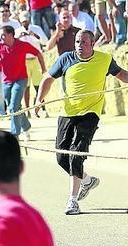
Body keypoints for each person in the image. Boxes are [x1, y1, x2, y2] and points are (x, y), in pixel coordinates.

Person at [36, 29, 128, 215]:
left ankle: (72, 201)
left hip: (90, 113)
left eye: (84, 42)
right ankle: (86, 181)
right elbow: (48, 79)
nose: (79, 45)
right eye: (77, 41)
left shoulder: (104, 59)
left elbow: (121, 75)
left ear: (93, 44)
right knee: (62, 157)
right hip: (68, 112)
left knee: (76, 154)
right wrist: (40, 100)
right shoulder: (66, 59)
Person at [0, 25, 46, 138]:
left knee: (13, 107)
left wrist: (44, 69)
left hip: (21, 80)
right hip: (6, 81)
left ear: (11, 35)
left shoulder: (22, 45)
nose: (1, 37)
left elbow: (38, 53)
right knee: (15, 107)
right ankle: (26, 126)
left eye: (3, 35)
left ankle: (15, 134)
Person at [16, 11, 49, 118]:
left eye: (26, 20)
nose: (25, 23)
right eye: (23, 21)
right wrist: (19, 37)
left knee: (39, 85)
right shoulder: (17, 32)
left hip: (36, 59)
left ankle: (43, 109)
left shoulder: (36, 28)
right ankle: (27, 110)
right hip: (24, 61)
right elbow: (14, 45)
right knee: (26, 86)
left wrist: (33, 35)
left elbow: (45, 41)